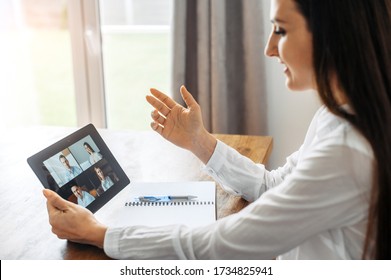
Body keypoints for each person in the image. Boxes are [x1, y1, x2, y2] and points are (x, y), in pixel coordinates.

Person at [43, 0, 391, 259]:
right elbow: (275, 187)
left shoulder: (347, 151)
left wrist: (103, 235)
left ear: (333, 34)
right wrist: (200, 142)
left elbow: (225, 243)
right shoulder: (340, 116)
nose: (269, 48)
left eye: (281, 30)